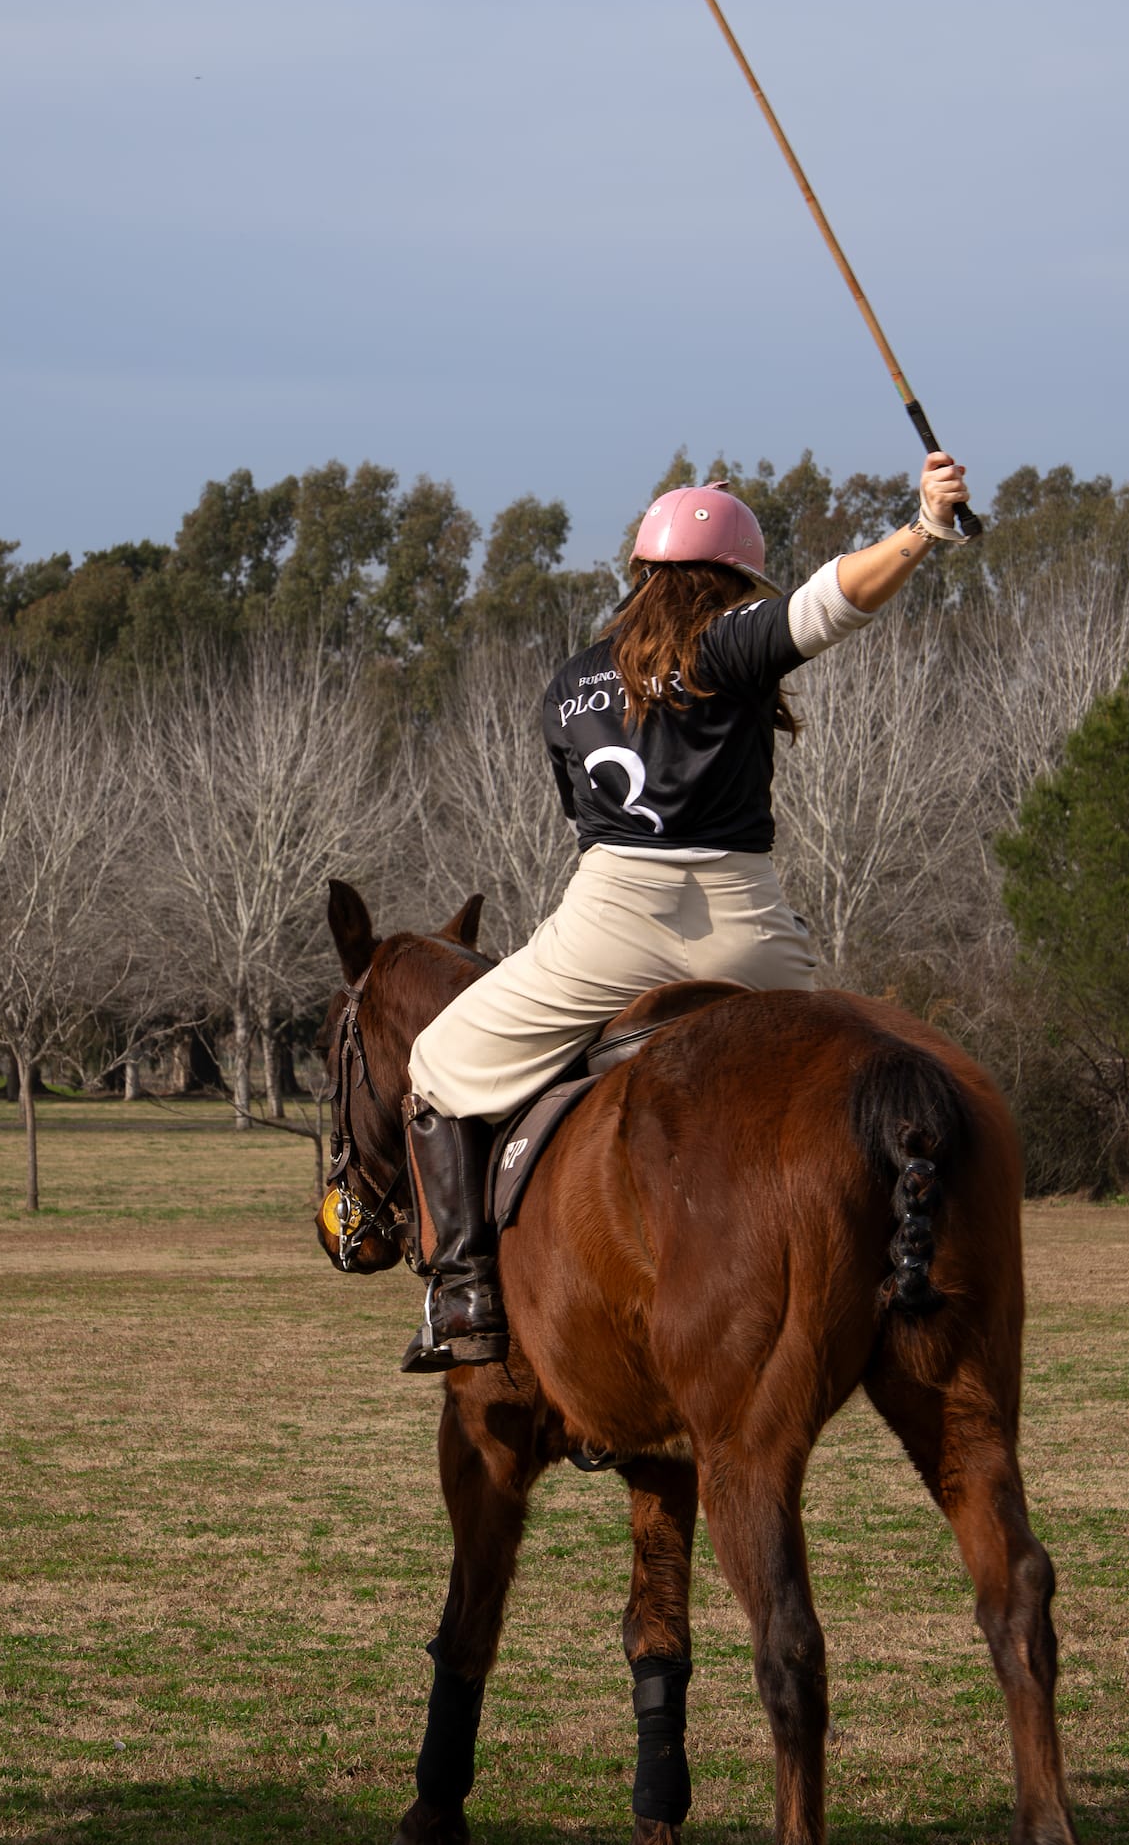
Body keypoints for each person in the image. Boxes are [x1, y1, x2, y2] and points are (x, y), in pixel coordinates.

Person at [397, 450, 974, 1371]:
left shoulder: (569, 683)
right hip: (746, 927)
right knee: (841, 1082)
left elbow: (584, 822)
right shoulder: (731, 642)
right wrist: (922, 528)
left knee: (436, 1065)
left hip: (610, 916)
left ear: (641, 576)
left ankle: (463, 1294)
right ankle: (894, 1267)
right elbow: (833, 600)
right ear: (734, 582)